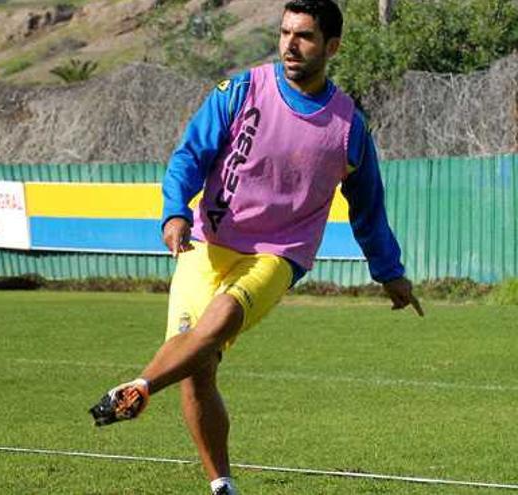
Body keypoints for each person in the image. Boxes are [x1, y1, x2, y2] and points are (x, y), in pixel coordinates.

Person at [87, 1, 424, 494]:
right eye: (285, 32)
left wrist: (389, 271)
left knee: (217, 321)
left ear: (332, 47)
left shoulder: (349, 126)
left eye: (305, 36)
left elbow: (368, 207)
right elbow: (189, 155)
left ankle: (137, 387)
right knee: (196, 371)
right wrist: (175, 210)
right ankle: (222, 485)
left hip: (278, 254)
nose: (290, 44)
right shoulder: (242, 90)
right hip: (208, 242)